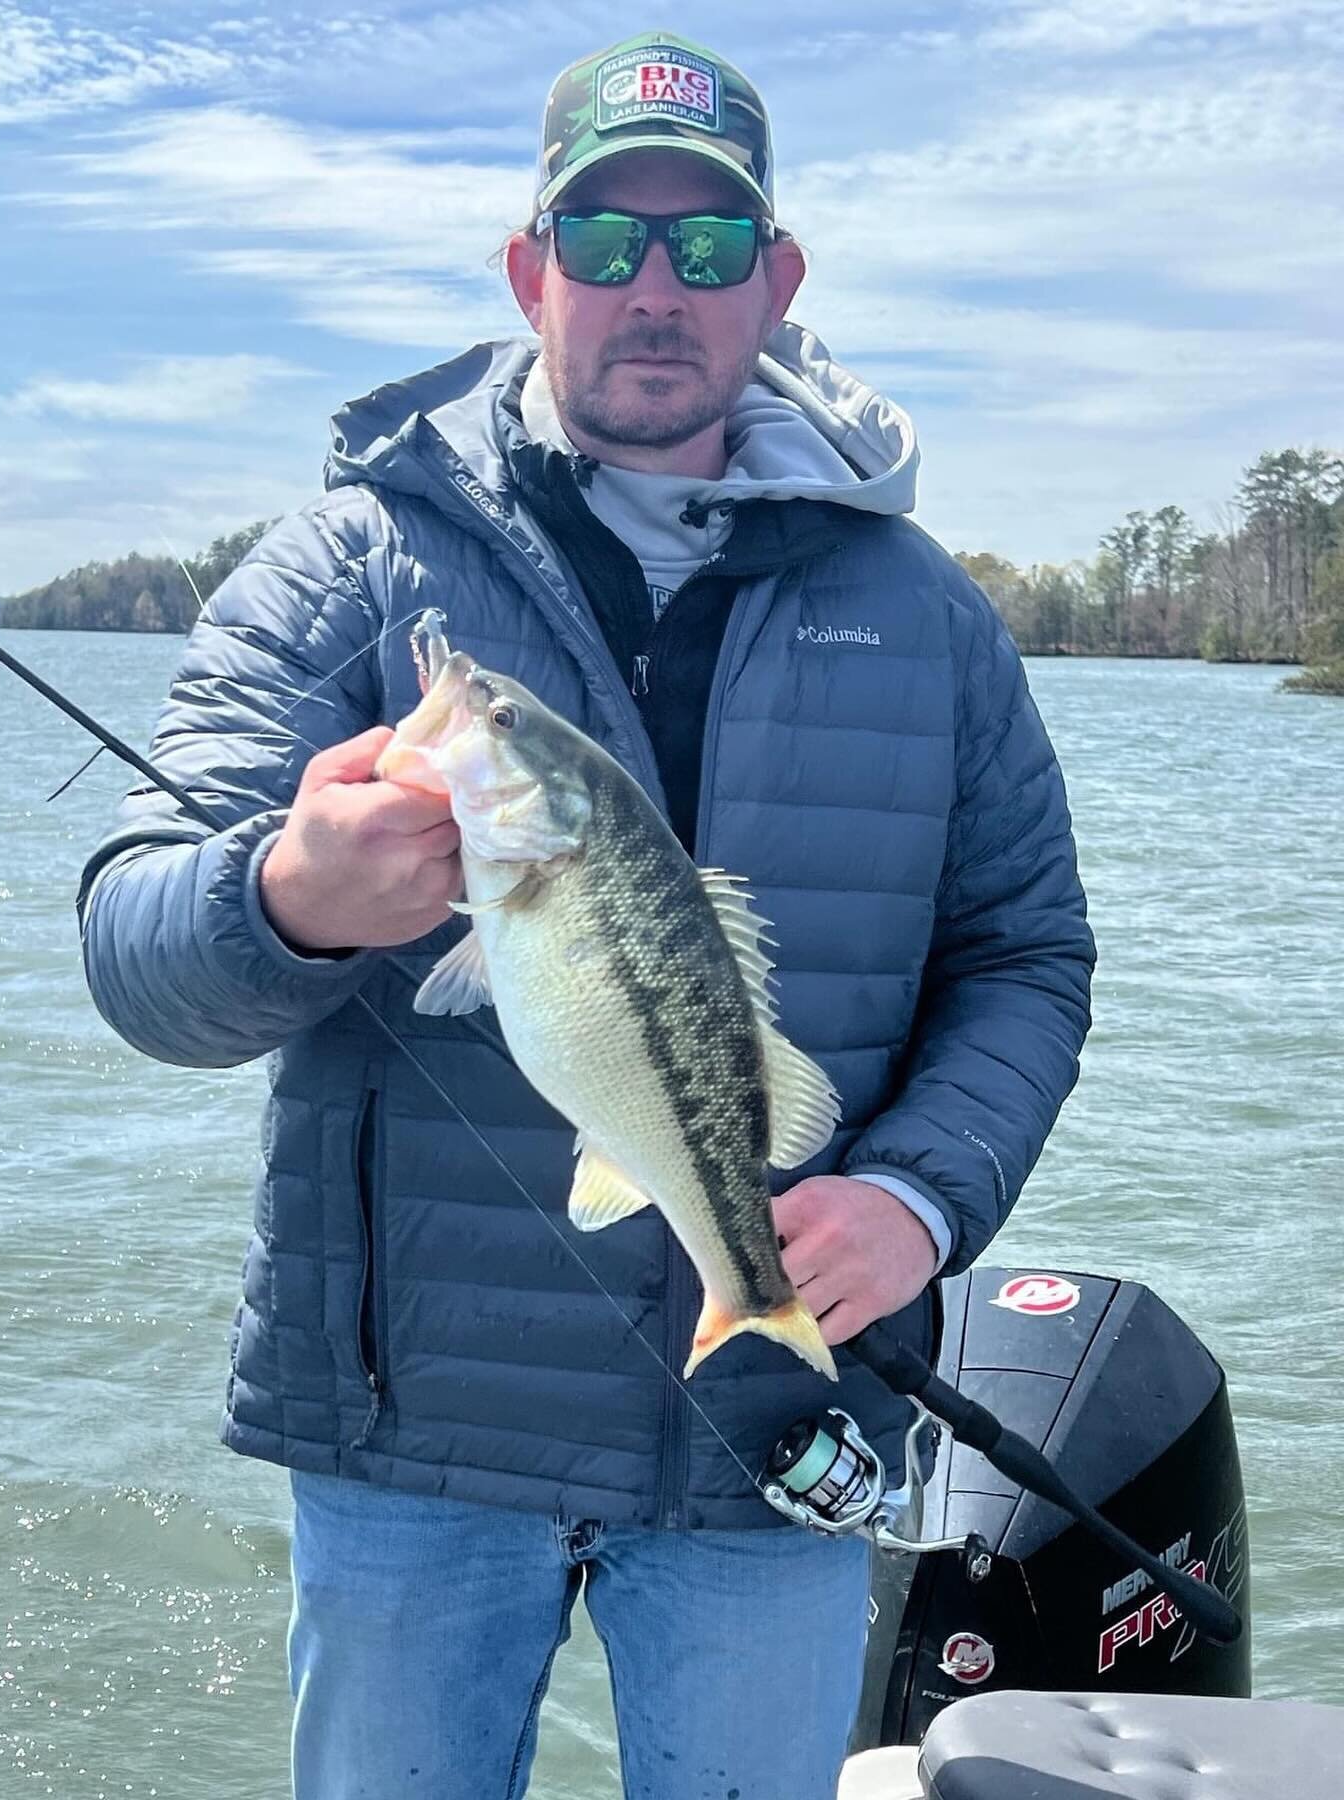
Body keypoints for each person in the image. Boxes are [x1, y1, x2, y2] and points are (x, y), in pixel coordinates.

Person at [78, 32, 1094, 1800]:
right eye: (604, 237)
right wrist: (287, 904)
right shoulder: (351, 566)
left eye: (707, 249)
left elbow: (1026, 958)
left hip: (777, 1433)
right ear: (526, 265)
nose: (653, 287)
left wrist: (923, 1197)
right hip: (410, 1442)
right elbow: (135, 952)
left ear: (774, 283)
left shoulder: (931, 617)